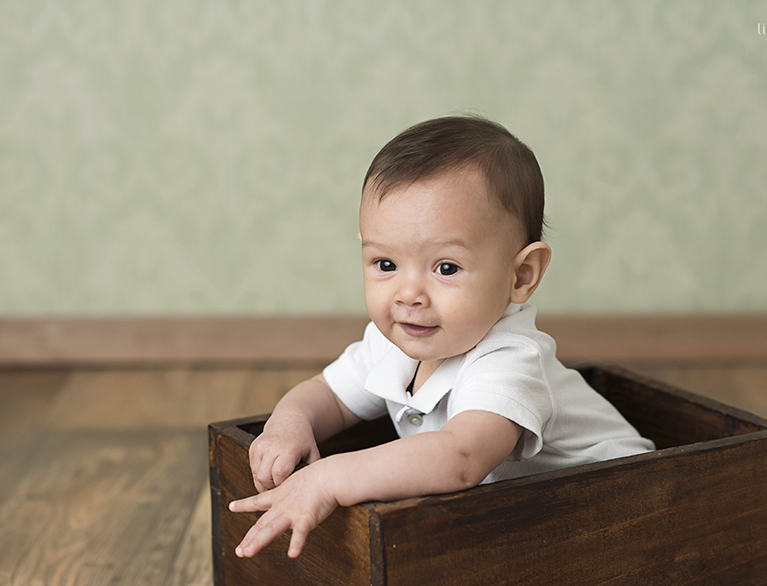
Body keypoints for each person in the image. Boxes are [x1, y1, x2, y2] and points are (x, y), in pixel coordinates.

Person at [230, 115, 654, 559]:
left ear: (521, 274)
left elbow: (459, 459)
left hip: (624, 509)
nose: (408, 295)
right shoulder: (392, 341)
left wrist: (328, 478)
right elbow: (329, 396)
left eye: (446, 268)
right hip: (519, 525)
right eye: (385, 265)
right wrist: (286, 425)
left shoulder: (511, 359)